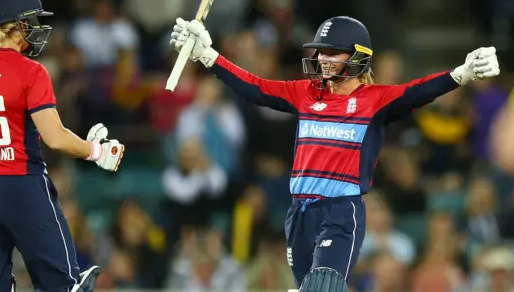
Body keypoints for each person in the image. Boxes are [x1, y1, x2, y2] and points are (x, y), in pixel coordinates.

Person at [169, 16, 500, 292]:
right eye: (321, 52)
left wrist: (463, 73)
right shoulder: (305, 93)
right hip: (299, 214)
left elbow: (419, 91)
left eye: (332, 53)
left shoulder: (374, 100)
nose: (323, 59)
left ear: (356, 57)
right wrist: (207, 55)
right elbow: (255, 87)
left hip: (340, 214)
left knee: (324, 286)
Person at [0, 0, 126, 292]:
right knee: (63, 287)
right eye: (31, 22)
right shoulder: (31, 72)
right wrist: (97, 152)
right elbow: (56, 138)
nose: (36, 29)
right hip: (22, 187)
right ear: (14, 26)